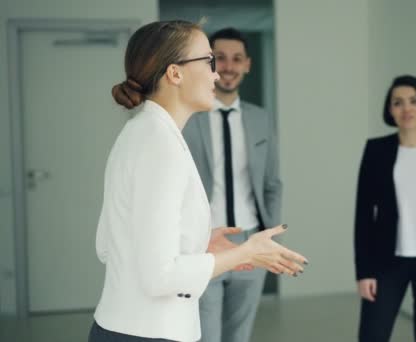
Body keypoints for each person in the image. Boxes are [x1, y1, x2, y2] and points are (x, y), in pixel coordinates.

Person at [89, 20, 307, 342]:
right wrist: (244, 253)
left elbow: (106, 245)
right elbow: (160, 276)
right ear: (175, 73)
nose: (217, 73)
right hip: (150, 334)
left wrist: (199, 242)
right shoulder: (160, 146)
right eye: (208, 61)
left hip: (126, 326)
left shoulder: (142, 131)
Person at [181, 27, 281, 342]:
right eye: (220, 58)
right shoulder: (188, 117)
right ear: (209, 64)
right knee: (207, 335)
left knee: (239, 335)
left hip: (249, 241)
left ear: (247, 65)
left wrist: (269, 235)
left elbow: (272, 183)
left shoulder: (260, 118)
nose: (228, 66)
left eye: (237, 59)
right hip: (203, 244)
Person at [354, 75, 416, 342]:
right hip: (387, 262)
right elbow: (363, 216)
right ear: (390, 110)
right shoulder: (376, 151)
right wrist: (363, 272)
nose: (407, 109)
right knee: (372, 335)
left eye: (414, 101)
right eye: (398, 102)